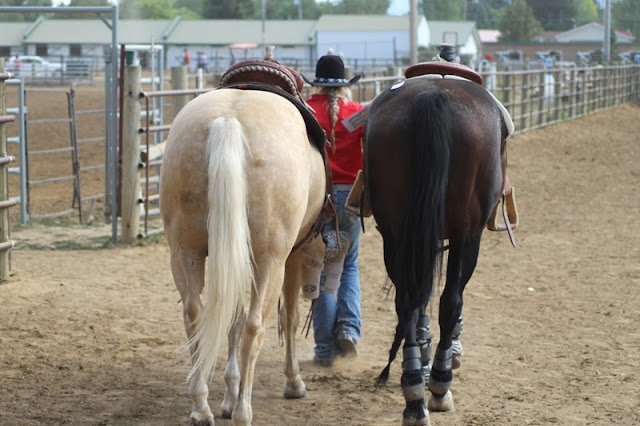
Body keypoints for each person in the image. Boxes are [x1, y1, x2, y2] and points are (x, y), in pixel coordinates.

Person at [304, 54, 365, 366]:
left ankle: (325, 350)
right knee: (348, 267)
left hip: (316, 200)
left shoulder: (304, 112)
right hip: (350, 199)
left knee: (321, 269)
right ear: (343, 86)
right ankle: (349, 330)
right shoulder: (356, 112)